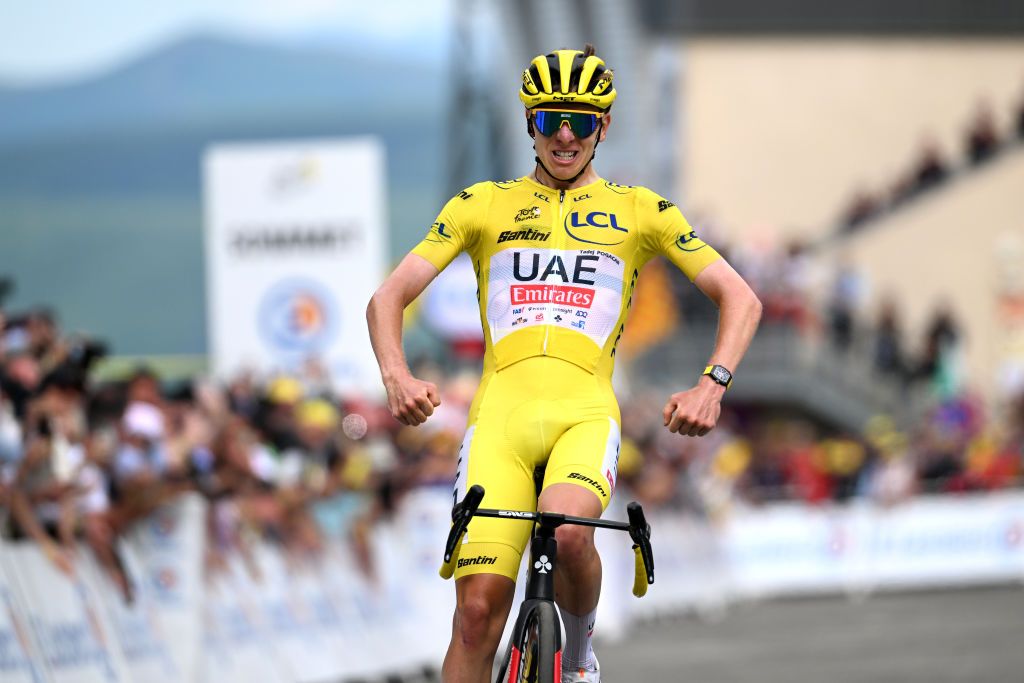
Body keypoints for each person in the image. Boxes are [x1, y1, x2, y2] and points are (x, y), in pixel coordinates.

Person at [367, 45, 761, 683]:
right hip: (501, 418)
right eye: (551, 120)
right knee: (474, 615)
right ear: (531, 125)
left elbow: (741, 298)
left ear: (603, 126)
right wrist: (397, 375)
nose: (566, 134)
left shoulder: (642, 210)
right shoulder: (482, 204)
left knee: (571, 532)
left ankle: (577, 662)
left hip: (584, 414)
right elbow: (387, 298)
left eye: (581, 119)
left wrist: (712, 385)